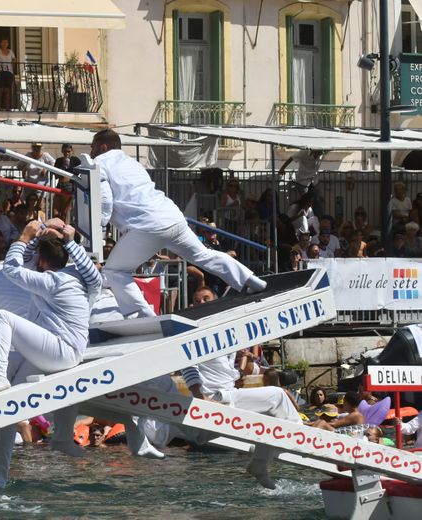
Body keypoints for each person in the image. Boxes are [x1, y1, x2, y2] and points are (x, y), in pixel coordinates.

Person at [0, 219, 101, 494]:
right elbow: (94, 275)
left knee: (3, 317)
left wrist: (25, 236)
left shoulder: (53, 281)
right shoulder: (79, 277)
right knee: (9, 403)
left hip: (61, 351)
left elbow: (11, 271)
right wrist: (69, 242)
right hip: (56, 350)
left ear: (40, 261)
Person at [90, 130, 265, 318]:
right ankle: (252, 280)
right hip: (173, 217)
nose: (91, 152)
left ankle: (145, 315)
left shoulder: (99, 163)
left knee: (115, 271)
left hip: (146, 226)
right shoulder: (132, 162)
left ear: (103, 147)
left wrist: (98, 227)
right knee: (204, 255)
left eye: (92, 147)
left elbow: (105, 200)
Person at [181, 286, 302, 489]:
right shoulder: (194, 331)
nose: (201, 303)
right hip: (215, 398)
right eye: (197, 300)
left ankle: (259, 463)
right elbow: (187, 365)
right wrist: (200, 397)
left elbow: (238, 370)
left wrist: (264, 369)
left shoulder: (226, 332)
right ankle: (303, 437)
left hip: (230, 395)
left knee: (271, 415)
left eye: (205, 299)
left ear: (216, 301)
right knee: (279, 396)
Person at [278, 149, 325, 216]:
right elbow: (292, 158)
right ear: (314, 150)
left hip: (314, 181)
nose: (319, 154)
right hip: (303, 181)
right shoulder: (304, 152)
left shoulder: (321, 153)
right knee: (305, 202)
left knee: (317, 201)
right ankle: (306, 218)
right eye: (318, 152)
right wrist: (282, 168)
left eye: (320, 153)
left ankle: (318, 220)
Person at [0, 37, 15, 110]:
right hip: (0, 72)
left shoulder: (10, 51)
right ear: (0, 43)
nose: (5, 44)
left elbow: (14, 59)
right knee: (0, 90)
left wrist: (12, 65)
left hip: (9, 72)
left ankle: (7, 107)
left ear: (8, 44)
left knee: (7, 90)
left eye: (6, 42)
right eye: (3, 42)